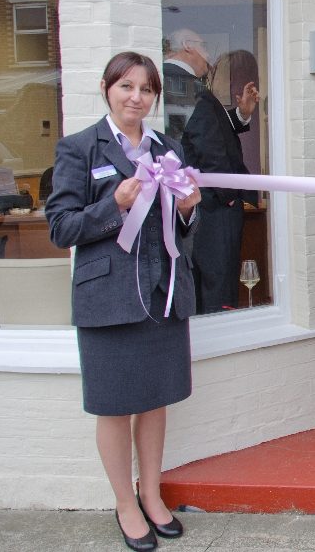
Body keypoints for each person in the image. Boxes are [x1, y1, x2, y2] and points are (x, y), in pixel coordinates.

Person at [45, 52, 201, 552]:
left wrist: (187, 212)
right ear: (106, 88)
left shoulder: (167, 148)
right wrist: (114, 204)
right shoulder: (78, 148)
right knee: (113, 408)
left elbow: (177, 230)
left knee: (154, 403)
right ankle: (125, 503)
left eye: (146, 89)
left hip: (160, 295)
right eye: (126, 86)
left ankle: (152, 495)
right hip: (107, 299)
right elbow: (62, 228)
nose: (137, 97)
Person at [181, 50, 261, 313]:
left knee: (218, 279)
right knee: (218, 280)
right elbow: (209, 148)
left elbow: (215, 129)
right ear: (189, 49)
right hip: (214, 211)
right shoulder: (195, 96)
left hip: (211, 208)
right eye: (204, 52)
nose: (210, 64)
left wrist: (242, 114)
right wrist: (229, 196)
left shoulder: (199, 99)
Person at [162, 28, 212, 139]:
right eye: (204, 47)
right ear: (187, 45)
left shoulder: (154, 78)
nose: (208, 55)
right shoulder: (195, 87)